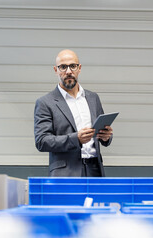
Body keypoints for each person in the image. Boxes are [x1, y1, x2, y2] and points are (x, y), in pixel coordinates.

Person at [34, 49, 113, 177]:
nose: (69, 71)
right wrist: (76, 139)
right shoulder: (45, 102)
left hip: (95, 170)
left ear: (79, 68)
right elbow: (42, 141)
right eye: (63, 67)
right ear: (56, 70)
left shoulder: (93, 98)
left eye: (73, 66)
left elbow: (102, 134)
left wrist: (106, 137)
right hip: (65, 173)